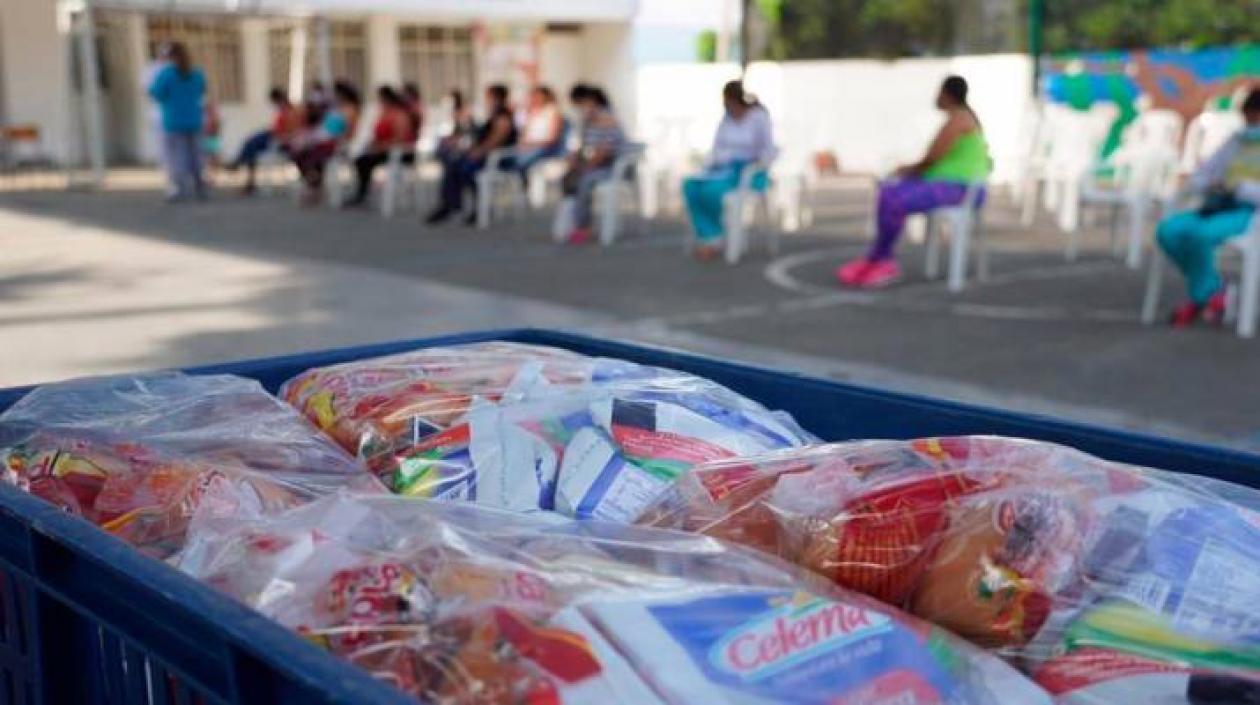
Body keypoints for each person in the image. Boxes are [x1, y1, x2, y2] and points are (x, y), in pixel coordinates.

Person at [837, 75, 991, 288]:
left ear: (947, 95)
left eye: (939, 91)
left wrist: (904, 171)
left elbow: (931, 159)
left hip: (959, 189)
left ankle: (883, 261)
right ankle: (878, 257)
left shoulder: (959, 120)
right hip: (951, 185)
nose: (935, 96)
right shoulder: (961, 118)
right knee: (889, 191)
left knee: (892, 196)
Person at [1156, 88, 1260, 327]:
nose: (1251, 124)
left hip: (1248, 213)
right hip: (1214, 207)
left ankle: (1201, 297)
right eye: (1248, 118)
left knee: (1200, 235)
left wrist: (1239, 188)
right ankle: (1212, 292)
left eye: (1255, 118)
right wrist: (1210, 184)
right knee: (1168, 231)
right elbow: (1202, 175)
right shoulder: (1237, 141)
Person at [682, 80, 777, 260]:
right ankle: (709, 235)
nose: (728, 107)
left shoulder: (758, 117)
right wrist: (714, 162)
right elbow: (717, 148)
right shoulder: (726, 119)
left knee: (712, 191)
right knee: (691, 186)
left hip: (748, 172)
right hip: (722, 169)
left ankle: (714, 238)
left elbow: (768, 150)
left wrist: (753, 162)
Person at [425, 84, 518, 225]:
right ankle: (452, 204)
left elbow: (496, 140)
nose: (486, 100)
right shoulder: (492, 115)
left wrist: (478, 151)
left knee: (463, 168)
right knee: (453, 164)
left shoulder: (503, 116)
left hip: (497, 159)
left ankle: (466, 205)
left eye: (488, 96)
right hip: (485, 156)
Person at [556, 84, 626, 244]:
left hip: (613, 167)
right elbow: (581, 147)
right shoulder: (587, 123)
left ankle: (582, 226)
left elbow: (605, 151)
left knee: (585, 181)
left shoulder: (608, 120)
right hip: (594, 165)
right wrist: (574, 159)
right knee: (568, 178)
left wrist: (585, 166)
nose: (582, 109)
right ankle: (569, 221)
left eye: (585, 104)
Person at [148, 43, 208, 202]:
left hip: (173, 121)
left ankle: (179, 188)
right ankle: (199, 186)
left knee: (176, 157)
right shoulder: (197, 73)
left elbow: (155, 93)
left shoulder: (167, 74)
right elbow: (202, 90)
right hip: (194, 120)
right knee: (196, 155)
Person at [290, 81, 361, 206]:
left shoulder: (350, 109)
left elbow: (348, 131)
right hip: (324, 138)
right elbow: (325, 125)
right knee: (298, 152)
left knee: (314, 154)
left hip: (336, 141)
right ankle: (314, 182)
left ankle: (315, 185)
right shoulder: (335, 108)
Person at [346, 85, 418, 207]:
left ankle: (363, 194)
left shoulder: (399, 115)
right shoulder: (383, 114)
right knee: (360, 160)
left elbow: (399, 139)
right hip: (383, 149)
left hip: (399, 152)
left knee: (364, 161)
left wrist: (381, 147)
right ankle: (362, 193)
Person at [227, 88, 302, 195]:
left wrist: (281, 136)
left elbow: (291, 130)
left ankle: (240, 166)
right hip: (273, 135)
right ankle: (243, 170)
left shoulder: (290, 111)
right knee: (251, 144)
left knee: (251, 145)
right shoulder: (284, 110)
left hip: (278, 138)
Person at [515, 85, 567, 175]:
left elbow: (552, 138)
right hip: (528, 148)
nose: (535, 99)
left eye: (537, 96)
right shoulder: (532, 113)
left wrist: (531, 144)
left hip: (545, 149)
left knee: (520, 163)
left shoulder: (553, 112)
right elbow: (524, 134)